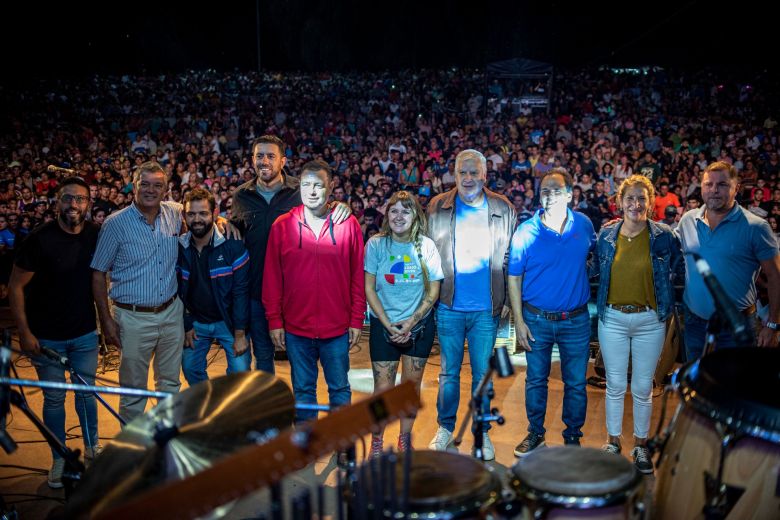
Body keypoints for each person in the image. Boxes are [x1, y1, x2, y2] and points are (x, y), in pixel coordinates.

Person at [8, 177, 102, 488]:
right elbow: (16, 287)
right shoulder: (39, 239)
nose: (73, 204)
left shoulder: (94, 235)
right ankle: (59, 457)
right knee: (53, 398)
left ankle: (91, 449)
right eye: (67, 198)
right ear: (56, 202)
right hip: (46, 336)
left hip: (85, 332)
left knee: (87, 395)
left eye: (80, 199)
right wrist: (24, 331)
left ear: (88, 204)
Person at [231, 135, 349, 373]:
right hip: (257, 291)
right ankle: (271, 409)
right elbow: (236, 230)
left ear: (283, 161)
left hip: (297, 294)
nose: (265, 161)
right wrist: (225, 222)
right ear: (252, 160)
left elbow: (326, 211)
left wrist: (340, 206)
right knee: (263, 358)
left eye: (271, 156)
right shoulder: (241, 195)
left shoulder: (300, 190)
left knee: (301, 362)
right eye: (259, 156)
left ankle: (301, 409)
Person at [426, 149, 516, 461]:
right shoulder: (438, 206)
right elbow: (426, 253)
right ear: (453, 173)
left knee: (481, 376)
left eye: (473, 172)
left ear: (485, 175)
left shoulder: (502, 208)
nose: (467, 178)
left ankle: (482, 432)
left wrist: (505, 299)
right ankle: (445, 428)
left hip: (485, 310)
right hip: (449, 306)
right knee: (449, 374)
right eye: (462, 172)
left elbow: (509, 258)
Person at [593, 175, 684, 474]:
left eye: (641, 198)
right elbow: (594, 271)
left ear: (650, 201)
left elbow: (678, 272)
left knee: (643, 387)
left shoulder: (664, 236)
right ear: (620, 202)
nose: (635, 203)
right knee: (616, 385)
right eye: (629, 198)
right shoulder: (606, 236)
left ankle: (641, 446)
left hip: (649, 321)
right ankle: (612, 442)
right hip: (614, 319)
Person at [263, 160, 365, 423]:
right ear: (299, 187)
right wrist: (275, 320)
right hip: (296, 329)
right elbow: (272, 278)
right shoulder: (282, 226)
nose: (312, 191)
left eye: (318, 185)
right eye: (306, 185)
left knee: (340, 389)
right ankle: (307, 445)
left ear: (330, 188)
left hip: (337, 329)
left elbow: (357, 277)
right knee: (303, 391)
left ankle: (341, 443)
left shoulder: (348, 224)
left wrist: (356, 319)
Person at [508, 167, 596, 456]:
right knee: (535, 380)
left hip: (576, 321)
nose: (549, 195)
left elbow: (595, 257)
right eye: (544, 190)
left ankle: (572, 438)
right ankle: (535, 434)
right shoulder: (525, 231)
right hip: (536, 319)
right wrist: (518, 321)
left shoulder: (583, 225)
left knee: (576, 383)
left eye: (556, 190)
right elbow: (514, 277)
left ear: (570, 195)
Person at [91, 161, 186, 423]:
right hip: (131, 318)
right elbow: (98, 273)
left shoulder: (176, 214)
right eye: (145, 184)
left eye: (158, 185)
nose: (151, 190)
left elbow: (203, 213)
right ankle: (132, 454)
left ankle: (166, 444)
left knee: (169, 385)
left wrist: (221, 219)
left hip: (171, 312)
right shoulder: (115, 224)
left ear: (166, 189)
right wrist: (106, 321)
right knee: (133, 392)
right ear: (134, 186)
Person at [364, 191, 443, 456]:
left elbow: (434, 291)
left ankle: (404, 439)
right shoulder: (376, 244)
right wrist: (388, 324)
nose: (399, 216)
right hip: (383, 326)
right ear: (387, 215)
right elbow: (369, 288)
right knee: (382, 390)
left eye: (405, 210)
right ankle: (377, 439)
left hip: (418, 327)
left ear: (415, 215)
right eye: (394, 210)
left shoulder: (427, 246)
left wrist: (411, 322)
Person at [677, 161, 780, 358]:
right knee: (696, 385)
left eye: (722, 184)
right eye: (708, 184)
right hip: (694, 323)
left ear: (736, 188)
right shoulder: (688, 220)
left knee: (734, 387)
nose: (714, 190)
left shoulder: (756, 227)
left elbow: (776, 277)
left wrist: (773, 324)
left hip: (737, 327)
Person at [177, 188, 250, 385]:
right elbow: (178, 293)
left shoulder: (232, 245)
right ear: (184, 216)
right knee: (190, 368)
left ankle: (230, 411)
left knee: (240, 375)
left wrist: (240, 334)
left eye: (203, 213)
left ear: (215, 213)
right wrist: (187, 324)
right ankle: (209, 406)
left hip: (229, 323)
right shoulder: (179, 248)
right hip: (197, 323)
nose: (197, 219)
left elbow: (241, 292)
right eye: (191, 214)